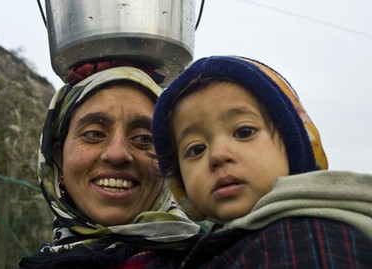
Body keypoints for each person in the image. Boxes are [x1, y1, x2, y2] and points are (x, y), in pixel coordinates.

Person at [152, 55, 372, 268]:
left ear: (293, 143)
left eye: (244, 132)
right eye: (196, 149)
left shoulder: (307, 241)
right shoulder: (223, 244)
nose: (218, 155)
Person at [19, 65, 201, 269]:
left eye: (143, 138)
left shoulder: (218, 258)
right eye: (94, 133)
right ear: (58, 158)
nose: (117, 154)